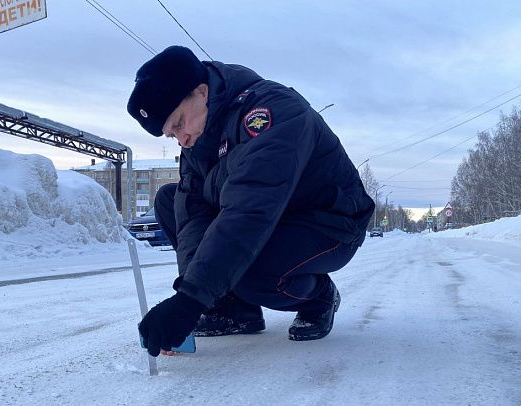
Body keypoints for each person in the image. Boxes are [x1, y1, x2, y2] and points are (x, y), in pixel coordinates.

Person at [128, 46, 374, 357]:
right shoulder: (198, 140)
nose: (181, 139)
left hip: (327, 222)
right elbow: (193, 215)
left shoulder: (271, 112)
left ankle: (319, 296)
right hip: (272, 220)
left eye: (178, 123)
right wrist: (195, 297)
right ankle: (234, 310)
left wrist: (191, 300)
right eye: (170, 135)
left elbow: (249, 211)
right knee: (171, 199)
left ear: (201, 92)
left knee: (250, 272)